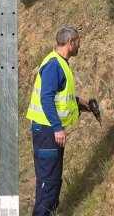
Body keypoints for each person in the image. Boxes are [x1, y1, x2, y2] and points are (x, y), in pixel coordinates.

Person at [26, 26, 91, 216]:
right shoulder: (54, 64)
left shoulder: (60, 62)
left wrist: (79, 102)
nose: (80, 44)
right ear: (70, 42)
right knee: (48, 180)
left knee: (54, 178)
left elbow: (58, 94)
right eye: (78, 40)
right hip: (47, 131)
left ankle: (50, 213)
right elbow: (46, 98)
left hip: (49, 130)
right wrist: (57, 128)